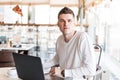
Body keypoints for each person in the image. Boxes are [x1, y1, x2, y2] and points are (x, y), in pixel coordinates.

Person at [43, 7, 96, 80]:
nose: (66, 24)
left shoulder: (82, 38)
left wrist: (63, 72)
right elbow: (56, 59)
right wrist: (40, 66)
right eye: (62, 21)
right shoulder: (59, 39)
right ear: (58, 24)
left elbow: (91, 70)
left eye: (69, 20)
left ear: (75, 23)